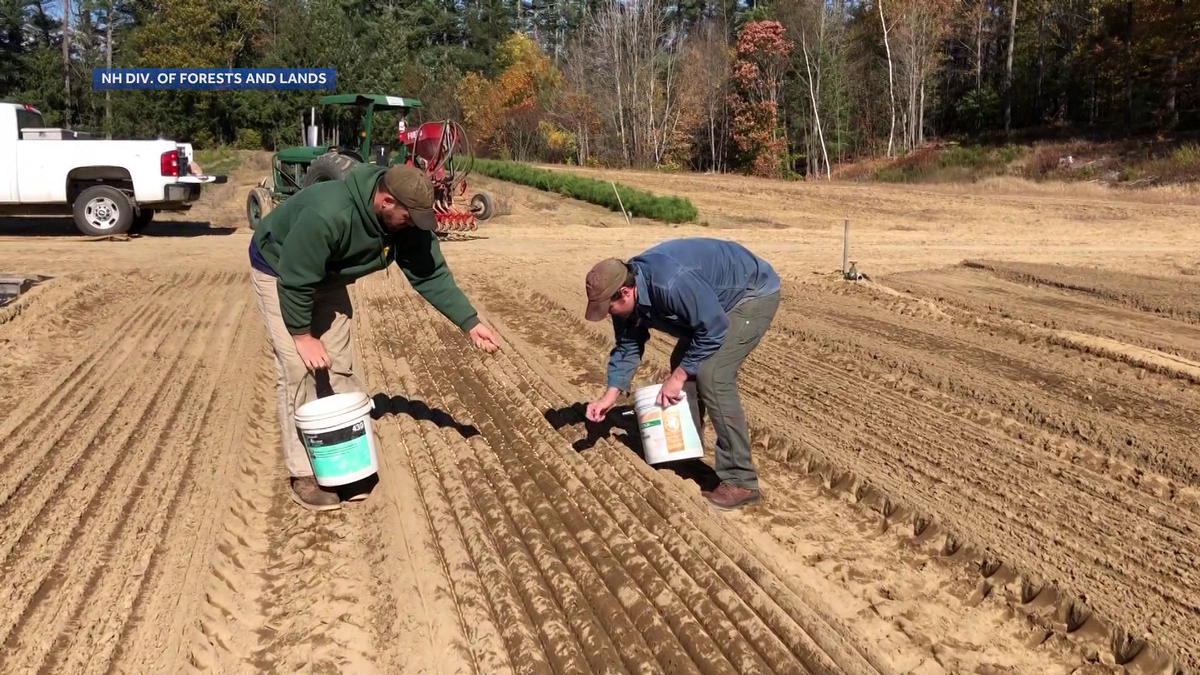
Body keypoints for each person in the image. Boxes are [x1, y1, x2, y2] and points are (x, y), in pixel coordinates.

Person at [249, 162, 500, 511]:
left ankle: (346, 463)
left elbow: (430, 274)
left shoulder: (406, 219)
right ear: (385, 201)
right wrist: (303, 335)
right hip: (280, 269)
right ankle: (304, 473)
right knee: (297, 369)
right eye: (409, 216)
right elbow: (295, 280)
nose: (414, 224)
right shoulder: (328, 214)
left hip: (328, 277)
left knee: (338, 364)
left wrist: (469, 322)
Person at [583, 237, 780, 510]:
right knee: (683, 362)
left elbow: (713, 328)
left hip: (749, 293)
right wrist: (609, 397)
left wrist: (677, 378)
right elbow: (628, 347)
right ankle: (685, 447)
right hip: (709, 298)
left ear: (626, 292)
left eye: (609, 308)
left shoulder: (671, 284)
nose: (608, 315)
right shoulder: (625, 296)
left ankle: (741, 480)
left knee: (712, 374)